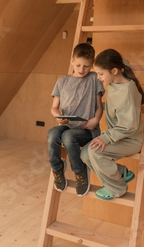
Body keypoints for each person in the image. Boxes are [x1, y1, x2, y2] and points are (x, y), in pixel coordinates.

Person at [80, 48, 144, 201]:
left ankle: (117, 188)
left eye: (101, 74)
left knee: (95, 153)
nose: (98, 77)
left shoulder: (127, 92)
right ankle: (122, 172)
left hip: (130, 139)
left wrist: (106, 138)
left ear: (115, 70)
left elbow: (129, 126)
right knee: (85, 154)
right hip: (117, 136)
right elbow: (123, 63)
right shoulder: (116, 78)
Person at [47, 43, 104, 196]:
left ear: (91, 65)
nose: (81, 70)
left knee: (68, 136)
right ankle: (57, 168)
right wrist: (59, 117)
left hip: (87, 130)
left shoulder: (94, 79)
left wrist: (95, 120)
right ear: (72, 60)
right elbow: (54, 108)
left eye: (86, 66)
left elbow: (99, 106)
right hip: (68, 126)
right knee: (53, 133)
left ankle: (80, 171)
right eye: (78, 65)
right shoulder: (62, 81)